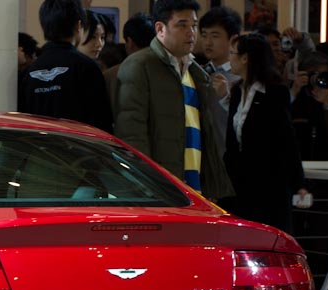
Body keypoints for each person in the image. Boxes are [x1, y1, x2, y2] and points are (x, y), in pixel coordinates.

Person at [115, 0, 232, 199]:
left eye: (193, 25)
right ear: (160, 29)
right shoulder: (140, 66)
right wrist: (147, 186)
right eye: (182, 25)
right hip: (158, 189)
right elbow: (132, 135)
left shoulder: (196, 73)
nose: (191, 32)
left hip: (195, 187)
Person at [221, 33, 308, 234]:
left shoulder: (275, 93)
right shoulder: (237, 92)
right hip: (240, 185)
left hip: (269, 185)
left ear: (245, 58)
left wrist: (299, 183)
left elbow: (287, 140)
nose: (229, 58)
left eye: (233, 53)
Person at [18, 0, 112, 132]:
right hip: (78, 144)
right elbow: (101, 122)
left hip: (36, 144)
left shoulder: (28, 73)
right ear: (79, 25)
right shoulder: (87, 67)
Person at [198, 6, 242, 150]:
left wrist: (225, 97)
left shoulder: (241, 77)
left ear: (233, 39)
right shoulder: (198, 72)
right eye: (204, 35)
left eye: (215, 36)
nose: (208, 42)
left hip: (229, 154)